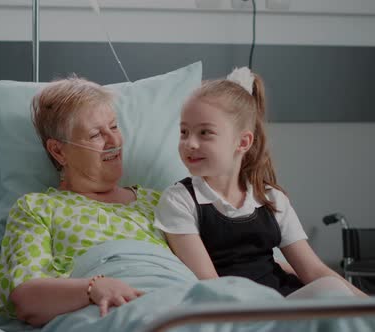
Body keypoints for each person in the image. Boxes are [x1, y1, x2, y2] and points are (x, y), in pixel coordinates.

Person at [154, 67, 366, 298]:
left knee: (331, 288)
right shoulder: (179, 200)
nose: (190, 143)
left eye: (205, 133)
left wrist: (365, 305)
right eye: (184, 132)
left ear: (243, 142)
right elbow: (209, 284)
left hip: (285, 299)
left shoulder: (272, 199)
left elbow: (314, 271)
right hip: (237, 310)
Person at [0, 76, 170, 327]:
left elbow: (205, 276)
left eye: (114, 127)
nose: (114, 141)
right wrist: (93, 288)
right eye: (96, 134)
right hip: (104, 316)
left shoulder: (159, 201)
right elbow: (25, 297)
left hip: (174, 304)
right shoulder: (38, 208)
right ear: (58, 151)